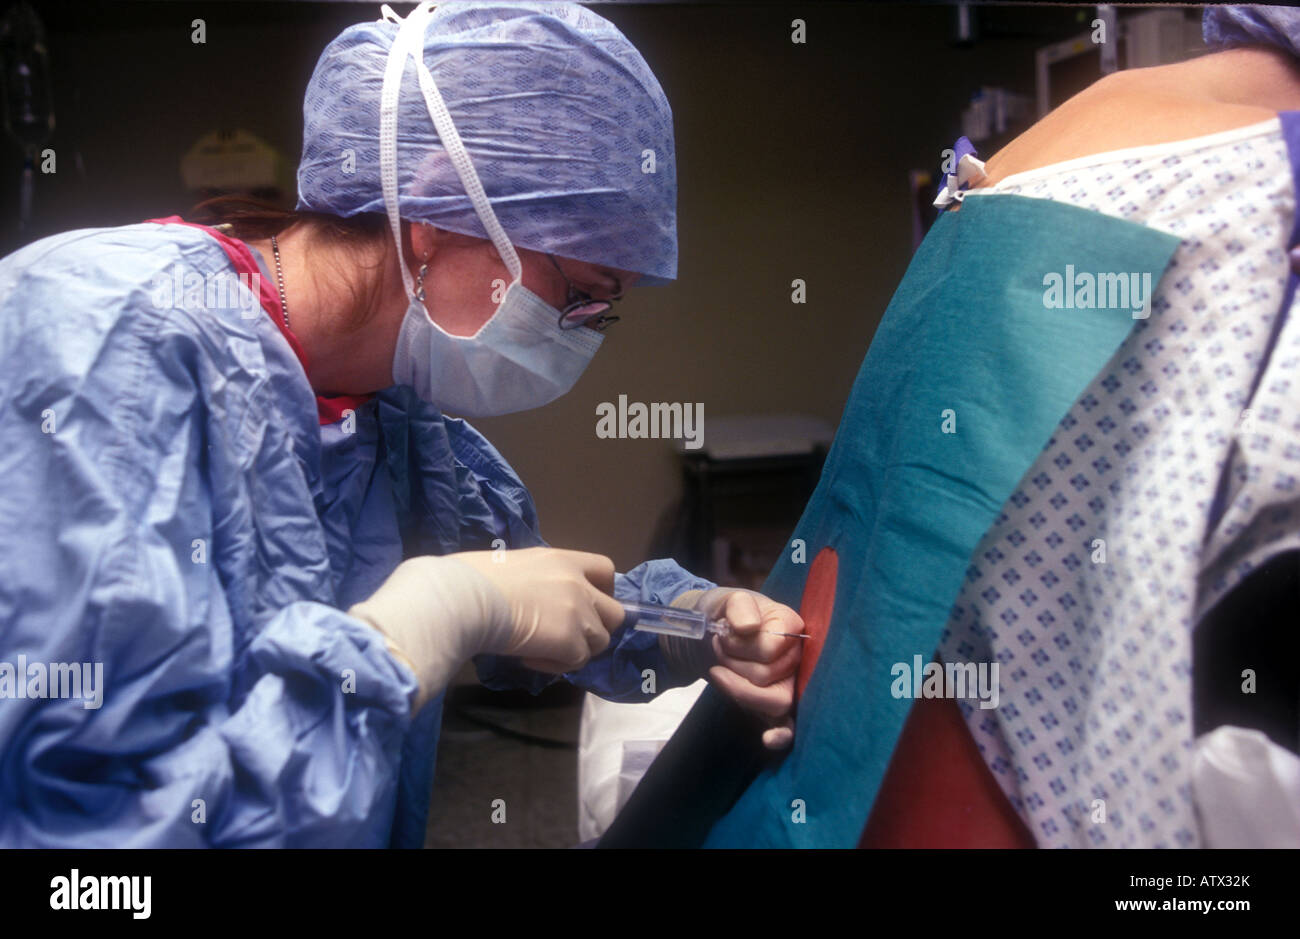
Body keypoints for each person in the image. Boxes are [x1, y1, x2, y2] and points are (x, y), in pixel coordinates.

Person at [0, 1, 801, 848]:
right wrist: (426, 620)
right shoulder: (98, 340)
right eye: (580, 293)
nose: (585, 333)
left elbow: (538, 602)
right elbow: (87, 847)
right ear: (436, 215)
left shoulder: (393, 417)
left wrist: (696, 626)